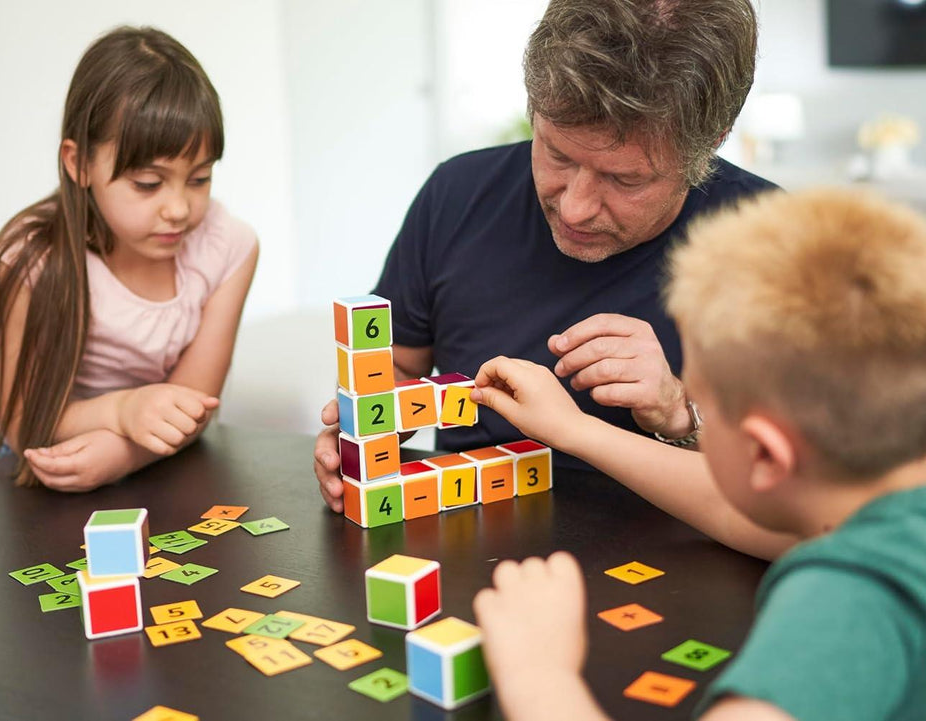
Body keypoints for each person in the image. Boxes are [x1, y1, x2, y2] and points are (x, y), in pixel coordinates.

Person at [470, 188, 926, 720]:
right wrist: (575, 430)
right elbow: (736, 508)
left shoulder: (842, 608)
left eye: (702, 400)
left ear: (764, 454)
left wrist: (540, 673)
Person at [315, 0, 775, 512]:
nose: (575, 208)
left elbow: (801, 496)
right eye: (557, 153)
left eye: (624, 179)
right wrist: (371, 431)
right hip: (467, 533)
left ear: (707, 146)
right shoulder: (457, 192)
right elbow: (397, 364)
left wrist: (678, 413)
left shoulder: (777, 247)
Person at [0, 26, 258, 491]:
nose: (179, 210)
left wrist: (123, 453)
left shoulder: (230, 247)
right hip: (27, 455)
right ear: (79, 163)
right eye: (148, 184)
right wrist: (120, 413)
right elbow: (22, 417)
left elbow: (194, 403)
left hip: (156, 454)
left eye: (200, 178)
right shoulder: (25, 258)